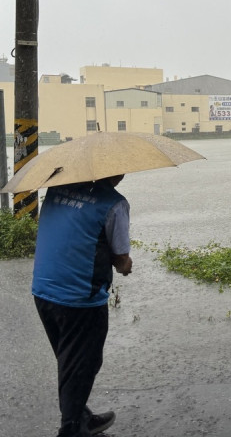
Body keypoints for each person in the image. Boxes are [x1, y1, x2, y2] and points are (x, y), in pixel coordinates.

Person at [32, 175, 133, 436]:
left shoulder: (56, 190)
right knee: (82, 363)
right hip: (80, 299)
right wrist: (125, 266)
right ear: (117, 172)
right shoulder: (114, 204)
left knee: (69, 360)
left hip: (43, 291)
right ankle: (72, 428)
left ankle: (81, 416)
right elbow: (122, 260)